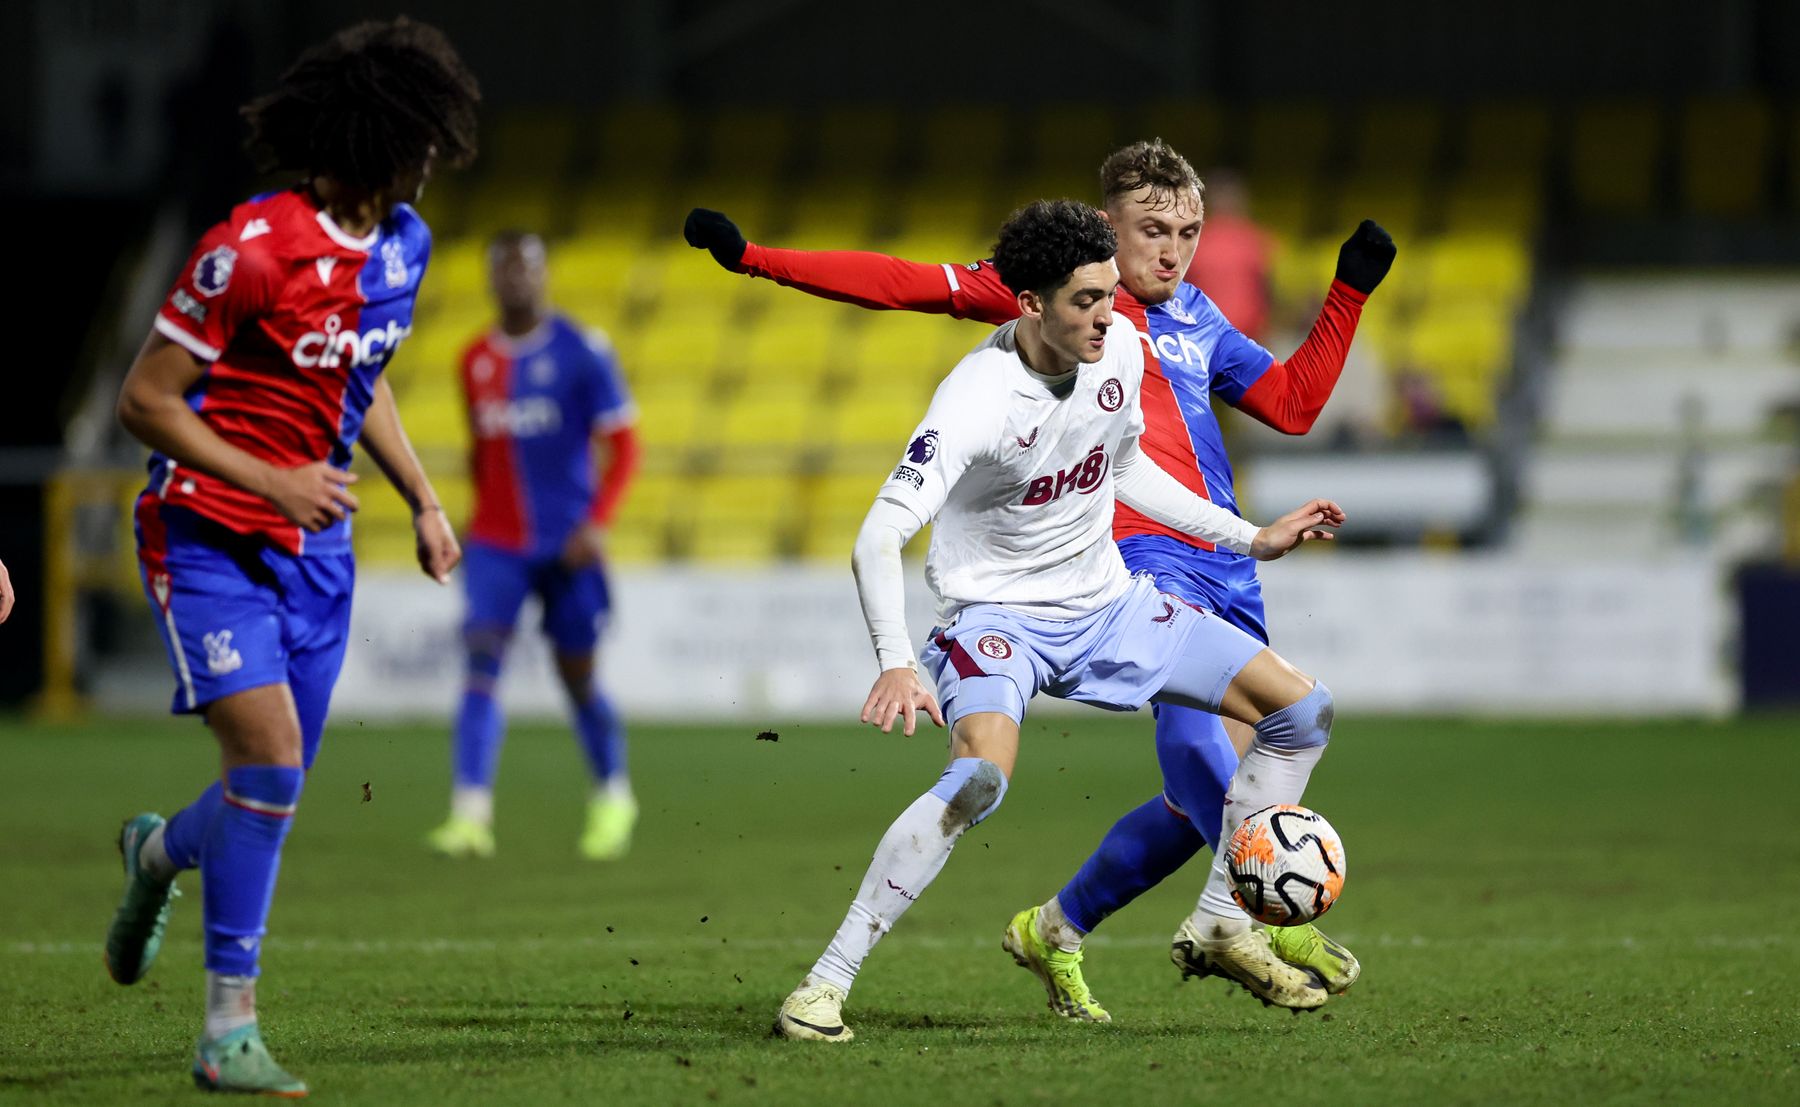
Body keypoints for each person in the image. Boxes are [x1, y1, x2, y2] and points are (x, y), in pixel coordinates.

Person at [685, 140, 1394, 1017]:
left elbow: (1271, 413)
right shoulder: (1049, 307)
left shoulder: (1163, 327)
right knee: (1172, 763)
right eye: (1152, 230)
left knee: (1232, 765)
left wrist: (1344, 301)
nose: (1171, 251)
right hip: (1096, 570)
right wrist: (757, 259)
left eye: (1189, 232)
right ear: (1099, 238)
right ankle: (1238, 914)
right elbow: (902, 283)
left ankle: (1067, 927)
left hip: (1174, 566)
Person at [104, 19, 478, 1095]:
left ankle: (156, 855)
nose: (430, 164)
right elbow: (144, 399)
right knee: (266, 763)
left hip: (319, 552)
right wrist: (268, 479)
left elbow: (364, 376)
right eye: (419, 143)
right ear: (382, 142)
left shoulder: (403, 246)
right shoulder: (251, 250)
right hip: (209, 533)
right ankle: (229, 1029)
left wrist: (423, 498)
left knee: (271, 788)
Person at [425, 230, 642, 861]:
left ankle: (612, 793)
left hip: (568, 544)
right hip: (495, 545)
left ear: (544, 275)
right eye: (505, 268)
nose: (516, 279)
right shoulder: (472, 360)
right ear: (491, 278)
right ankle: (470, 815)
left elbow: (625, 447)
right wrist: (473, 516)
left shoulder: (582, 351)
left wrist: (596, 522)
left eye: (528, 267)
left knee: (577, 677)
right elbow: (480, 452)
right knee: (481, 661)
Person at [1181, 169, 1274, 342]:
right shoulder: (1195, 238)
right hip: (1209, 335)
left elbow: (1265, 291)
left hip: (1237, 336)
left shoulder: (1254, 238)